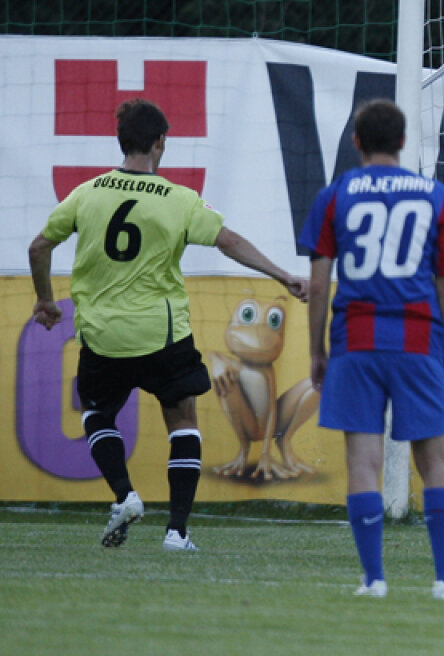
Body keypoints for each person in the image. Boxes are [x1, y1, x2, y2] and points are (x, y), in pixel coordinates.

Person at [28, 98, 308, 551]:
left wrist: (45, 300)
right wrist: (284, 275)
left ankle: (125, 496)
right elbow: (229, 241)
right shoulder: (179, 200)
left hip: (104, 336)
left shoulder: (87, 192)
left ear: (122, 143)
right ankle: (177, 532)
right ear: (161, 143)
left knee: (99, 413)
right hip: (161, 335)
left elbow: (39, 247)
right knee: (182, 418)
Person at [300, 98, 444, 601]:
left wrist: (316, 350)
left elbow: (319, 278)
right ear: (402, 142)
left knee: (363, 458)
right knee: (435, 457)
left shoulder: (335, 195)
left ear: (356, 142)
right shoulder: (434, 196)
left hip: (355, 339)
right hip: (418, 338)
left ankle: (373, 579)